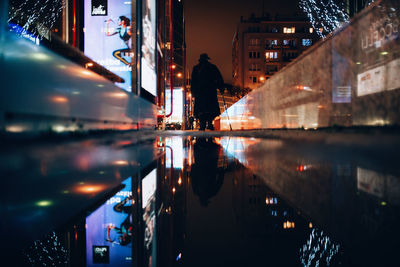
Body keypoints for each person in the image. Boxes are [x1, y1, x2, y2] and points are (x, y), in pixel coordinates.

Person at [191, 53, 224, 130]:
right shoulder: (212, 67)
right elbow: (219, 78)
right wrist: (221, 87)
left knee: (202, 110)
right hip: (210, 92)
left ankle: (203, 124)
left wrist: (193, 92)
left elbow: (193, 82)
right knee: (210, 109)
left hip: (201, 92)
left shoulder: (196, 68)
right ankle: (209, 123)